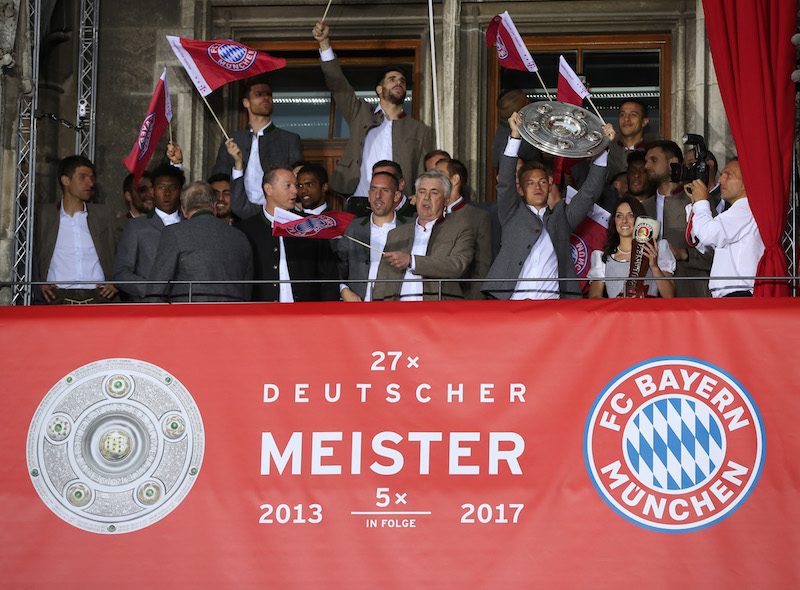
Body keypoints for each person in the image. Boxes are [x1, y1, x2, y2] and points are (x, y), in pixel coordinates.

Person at [482, 113, 612, 300]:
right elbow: (505, 183)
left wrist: (603, 147)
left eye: (542, 182)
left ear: (550, 184)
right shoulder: (511, 212)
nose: (537, 187)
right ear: (520, 189)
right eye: (530, 183)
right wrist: (515, 137)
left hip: (552, 306)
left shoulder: (562, 218)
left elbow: (588, 194)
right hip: (511, 304)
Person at [313, 20, 432, 215]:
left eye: (402, 81)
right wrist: (324, 43)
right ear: (379, 89)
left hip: (399, 205)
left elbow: (422, 169)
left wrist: (419, 195)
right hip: (360, 200)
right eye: (392, 79)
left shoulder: (418, 129)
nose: (398, 83)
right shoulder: (361, 113)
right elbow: (339, 87)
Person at [237, 167, 339, 302]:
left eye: (295, 186)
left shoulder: (310, 224)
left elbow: (328, 275)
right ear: (269, 189)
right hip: (261, 316)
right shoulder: (247, 229)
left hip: (305, 314)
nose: (296, 191)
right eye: (288, 186)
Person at [372, 169, 474, 301]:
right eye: (422, 192)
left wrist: (412, 261)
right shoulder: (397, 234)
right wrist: (378, 308)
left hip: (437, 312)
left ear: (446, 200)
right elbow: (382, 279)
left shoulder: (460, 230)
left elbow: (458, 265)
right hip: (396, 312)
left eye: (434, 192)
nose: (426, 197)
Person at [35, 155, 121, 304]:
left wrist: (117, 282)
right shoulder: (44, 216)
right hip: (57, 298)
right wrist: (37, 283)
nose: (90, 183)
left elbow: (123, 251)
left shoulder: (103, 215)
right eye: (83, 177)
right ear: (65, 180)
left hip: (99, 297)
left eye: (91, 177)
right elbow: (29, 253)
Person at [149, 181, 253, 302]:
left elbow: (156, 288)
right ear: (214, 206)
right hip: (232, 317)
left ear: (183, 209)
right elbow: (247, 289)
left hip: (190, 316)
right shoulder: (240, 236)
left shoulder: (174, 233)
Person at [211, 75, 302, 207]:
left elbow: (296, 178)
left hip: (276, 213)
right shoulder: (232, 140)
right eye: (259, 94)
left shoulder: (289, 139)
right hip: (237, 214)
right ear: (246, 102)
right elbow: (219, 179)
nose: (266, 98)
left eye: (269, 95)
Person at [642, 140, 712, 297]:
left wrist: (684, 254)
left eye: (653, 160)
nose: (647, 166)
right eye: (646, 161)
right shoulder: (643, 208)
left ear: (672, 162)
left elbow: (714, 255)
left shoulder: (697, 202)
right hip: (650, 297)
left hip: (690, 294)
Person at [686, 158, 765, 297]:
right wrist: (696, 204)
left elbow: (708, 235)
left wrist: (701, 203)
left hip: (739, 295)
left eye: (729, 175)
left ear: (747, 182)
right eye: (722, 174)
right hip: (732, 295)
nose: (721, 180)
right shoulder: (737, 210)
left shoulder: (745, 208)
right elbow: (705, 245)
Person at [113, 164, 185, 301]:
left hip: (184, 309)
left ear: (181, 191)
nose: (167, 193)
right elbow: (120, 273)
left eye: (173, 188)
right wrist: (151, 288)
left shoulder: (190, 225)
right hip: (148, 308)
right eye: (161, 188)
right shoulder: (136, 227)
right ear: (153, 191)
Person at [338, 171, 411, 301]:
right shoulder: (353, 227)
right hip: (361, 305)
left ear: (396, 196)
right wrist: (344, 290)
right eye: (373, 189)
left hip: (400, 305)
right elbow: (337, 267)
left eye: (385, 190)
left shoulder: (411, 227)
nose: (378, 196)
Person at [587, 196, 676, 298]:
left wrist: (654, 267)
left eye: (631, 215)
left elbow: (670, 296)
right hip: (617, 312)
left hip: (648, 312)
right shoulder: (603, 257)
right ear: (614, 221)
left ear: (639, 220)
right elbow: (594, 298)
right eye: (619, 216)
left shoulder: (656, 250)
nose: (624, 221)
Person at [435, 158, 492, 299]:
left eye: (439, 174)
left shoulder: (477, 217)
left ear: (455, 179)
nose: (433, 178)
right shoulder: (427, 214)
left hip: (462, 300)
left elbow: (482, 265)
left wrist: (473, 302)